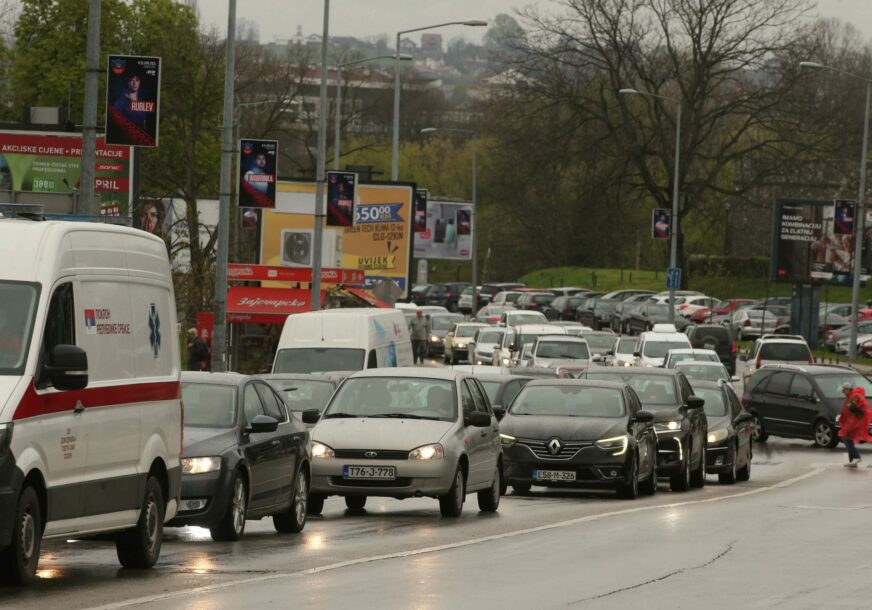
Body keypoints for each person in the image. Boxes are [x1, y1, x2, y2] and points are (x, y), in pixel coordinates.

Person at [837, 382, 872, 467]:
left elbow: (852, 410)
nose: (843, 392)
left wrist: (850, 421)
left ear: (849, 389)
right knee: (848, 439)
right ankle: (853, 460)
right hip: (852, 422)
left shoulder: (854, 397)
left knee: (846, 437)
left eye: (844, 390)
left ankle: (856, 457)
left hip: (854, 422)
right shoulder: (851, 397)